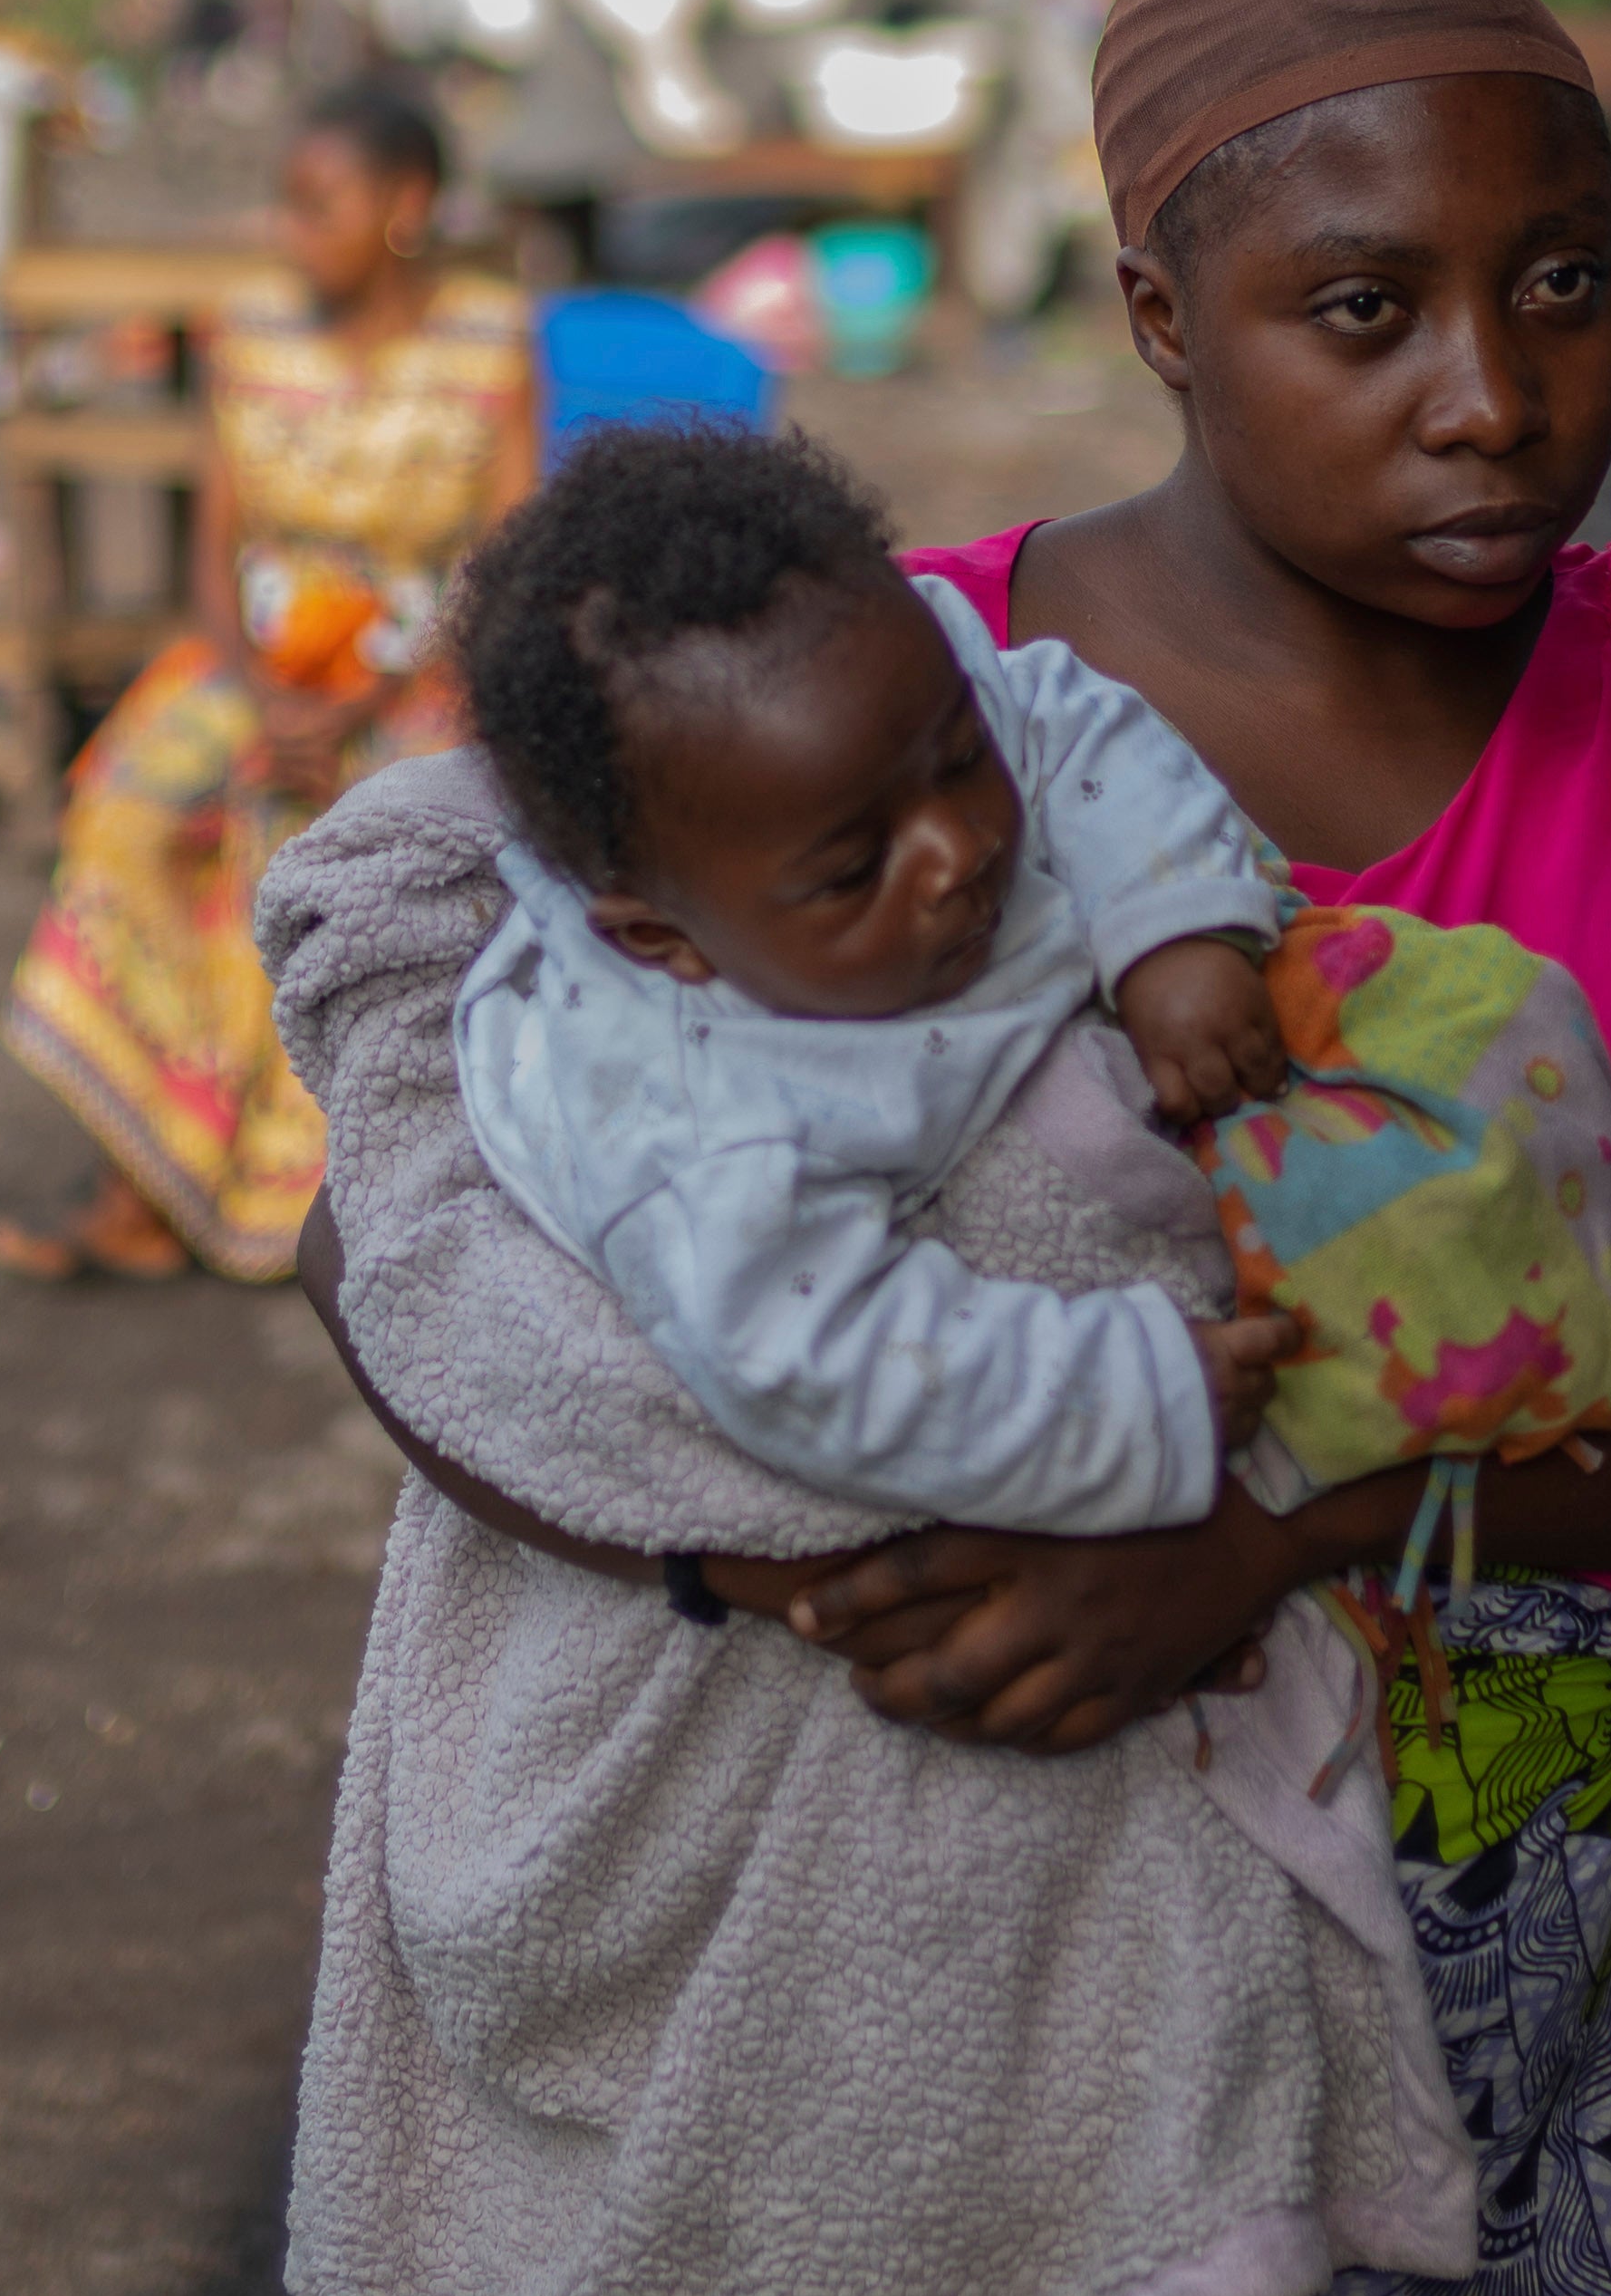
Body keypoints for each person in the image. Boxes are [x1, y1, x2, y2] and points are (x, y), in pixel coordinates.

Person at [291, 0, 1611, 2296]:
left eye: (1568, 282)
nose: (1496, 397)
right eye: (1367, 309)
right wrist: (769, 1571)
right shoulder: (875, 707)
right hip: (1044, 1978)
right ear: (1164, 318)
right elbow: (398, 1240)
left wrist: (1260, 1540)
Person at [449, 420, 1299, 1529]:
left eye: (959, 764)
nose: (956, 851)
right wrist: (1133, 1391)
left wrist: (1173, 925)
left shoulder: (890, 699)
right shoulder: (700, 1130)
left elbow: (1062, 719)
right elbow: (815, 1364)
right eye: (855, 871)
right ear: (667, 938)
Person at [0, 78, 541, 1282]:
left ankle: (308, 1200)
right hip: (255, 659)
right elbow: (210, 548)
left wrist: (363, 699)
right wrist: (258, 695)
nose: (292, 233)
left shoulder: (491, 337)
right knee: (131, 814)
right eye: (286, 206)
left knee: (376, 837)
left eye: (318, 205)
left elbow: (502, 560)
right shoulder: (249, 326)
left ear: (407, 206)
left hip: (422, 669)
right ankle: (146, 1178)